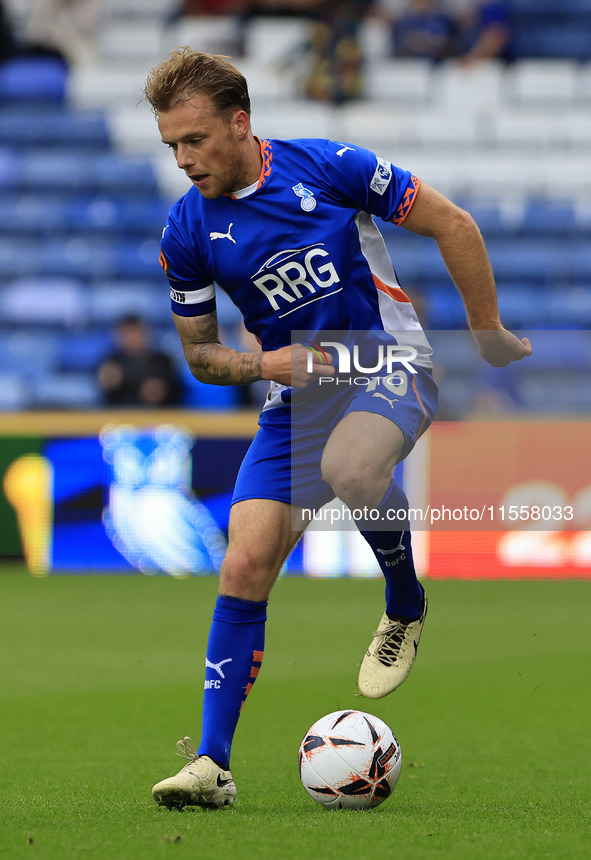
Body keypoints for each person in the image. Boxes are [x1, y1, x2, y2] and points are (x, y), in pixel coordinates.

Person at [144, 48, 531, 809]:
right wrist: (263, 367)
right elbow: (199, 355)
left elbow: (452, 223)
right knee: (243, 565)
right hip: (298, 400)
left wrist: (485, 331)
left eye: (195, 140)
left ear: (239, 121)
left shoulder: (327, 168)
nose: (185, 160)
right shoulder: (186, 230)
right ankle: (212, 764)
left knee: (357, 470)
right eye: (171, 147)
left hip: (390, 364)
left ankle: (404, 601)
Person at [97, 314, 181, 407]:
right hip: (119, 413)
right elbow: (106, 390)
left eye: (135, 332)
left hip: (156, 415)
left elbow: (173, 391)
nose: (132, 338)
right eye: (127, 333)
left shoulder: (161, 361)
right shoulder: (111, 361)